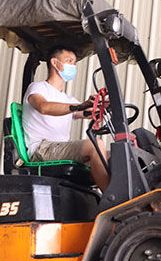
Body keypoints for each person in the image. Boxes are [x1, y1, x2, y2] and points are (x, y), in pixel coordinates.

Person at [22, 45, 110, 191]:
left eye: (74, 62)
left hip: (58, 149)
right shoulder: (37, 88)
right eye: (69, 61)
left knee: (116, 154)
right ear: (55, 63)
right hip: (42, 149)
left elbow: (84, 112)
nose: (73, 66)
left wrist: (103, 105)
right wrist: (76, 107)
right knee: (96, 145)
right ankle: (114, 202)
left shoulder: (66, 98)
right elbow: (43, 107)